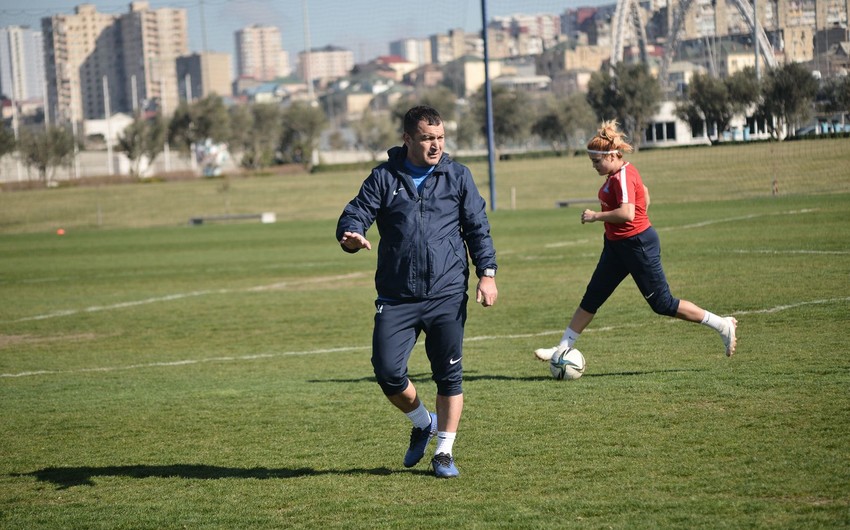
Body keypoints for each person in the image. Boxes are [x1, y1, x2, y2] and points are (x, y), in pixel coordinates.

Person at [336, 105, 498, 478]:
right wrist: (350, 236)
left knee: (449, 376)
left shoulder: (457, 176)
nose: (435, 145)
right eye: (427, 138)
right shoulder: (383, 177)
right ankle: (422, 421)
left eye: (440, 138)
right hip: (397, 296)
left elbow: (478, 228)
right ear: (407, 138)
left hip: (446, 293)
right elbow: (357, 212)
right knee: (388, 372)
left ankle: (444, 451)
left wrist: (486, 274)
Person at [534, 120, 737, 365]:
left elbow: (627, 213)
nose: (594, 166)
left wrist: (596, 216)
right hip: (615, 246)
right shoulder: (615, 175)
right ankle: (563, 347)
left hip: (637, 245)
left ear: (611, 155)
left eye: (597, 161)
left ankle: (722, 325)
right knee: (592, 297)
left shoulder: (622, 176)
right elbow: (646, 192)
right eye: (591, 161)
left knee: (662, 303)